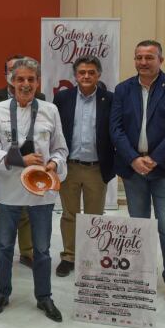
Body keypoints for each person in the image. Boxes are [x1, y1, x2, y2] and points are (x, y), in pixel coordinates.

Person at [0, 57, 67, 322]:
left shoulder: (50, 110)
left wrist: (54, 162)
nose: (26, 84)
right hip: (9, 189)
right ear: (11, 81)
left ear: (37, 82)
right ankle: (2, 292)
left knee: (42, 249)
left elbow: (61, 148)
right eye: (20, 79)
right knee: (6, 246)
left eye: (31, 79)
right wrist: (20, 159)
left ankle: (44, 297)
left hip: (42, 190)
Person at [110, 40, 165, 306]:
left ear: (161, 60)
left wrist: (154, 159)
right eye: (138, 57)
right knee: (139, 226)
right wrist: (133, 158)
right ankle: (141, 276)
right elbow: (116, 129)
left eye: (149, 57)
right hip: (134, 171)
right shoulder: (123, 89)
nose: (143, 62)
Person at [52, 56, 114, 277]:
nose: (86, 76)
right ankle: (69, 256)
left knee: (94, 217)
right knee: (69, 214)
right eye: (82, 72)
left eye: (91, 72)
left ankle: (91, 257)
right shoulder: (62, 99)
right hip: (70, 166)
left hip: (96, 169)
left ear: (98, 74)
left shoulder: (110, 99)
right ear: (75, 75)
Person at [0, 53, 41, 268]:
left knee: (27, 211)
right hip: (3, 164)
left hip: (32, 165)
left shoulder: (42, 99)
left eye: (29, 77)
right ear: (8, 75)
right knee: (0, 210)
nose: (23, 82)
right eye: (13, 72)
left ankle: (27, 252)